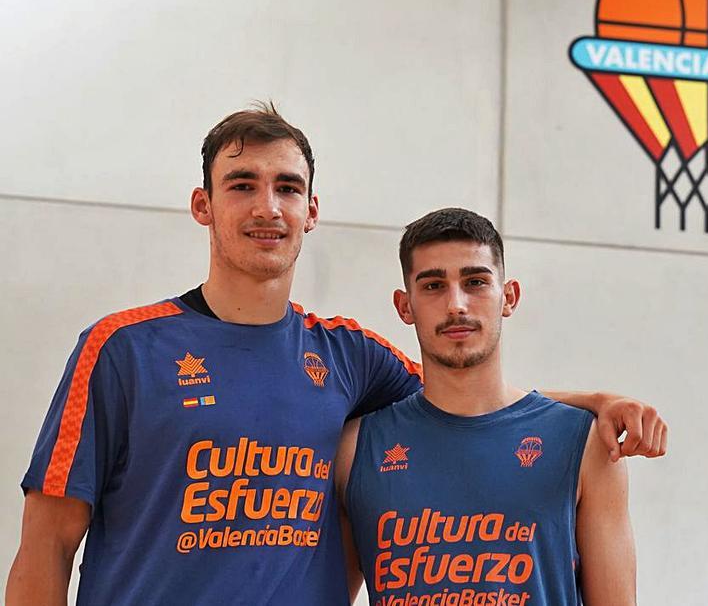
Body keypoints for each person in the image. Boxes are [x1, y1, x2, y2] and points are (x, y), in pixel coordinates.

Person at [6, 103, 664, 605]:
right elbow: (47, 543)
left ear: (312, 210)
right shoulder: (121, 348)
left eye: (287, 187)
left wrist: (597, 402)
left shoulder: (350, 357)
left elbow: (471, 396)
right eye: (243, 184)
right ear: (203, 204)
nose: (269, 206)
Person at [337, 207, 637, 606]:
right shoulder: (355, 449)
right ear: (404, 306)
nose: (456, 304)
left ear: (508, 296)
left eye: (475, 282)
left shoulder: (587, 444)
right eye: (432, 286)